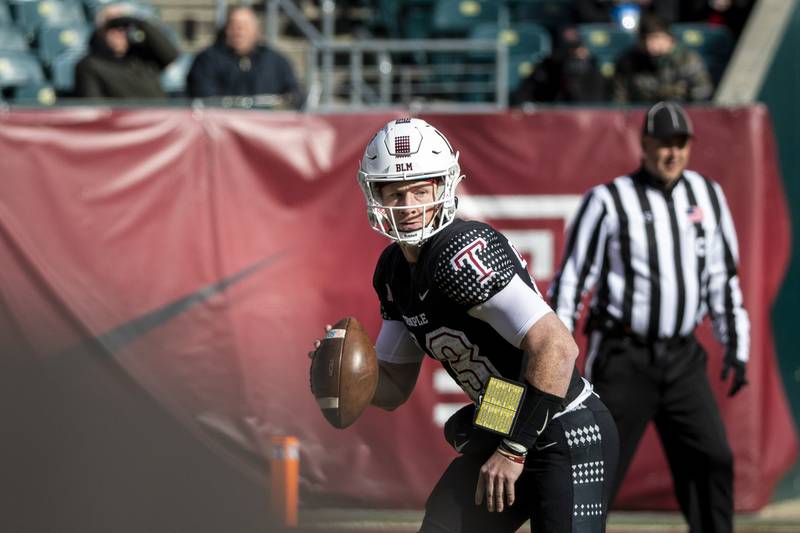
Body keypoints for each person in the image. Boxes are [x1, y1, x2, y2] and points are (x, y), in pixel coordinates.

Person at [309, 118, 619, 532]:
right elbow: (393, 387)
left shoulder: (461, 251)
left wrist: (511, 450)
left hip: (565, 426)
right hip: (508, 419)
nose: (411, 204)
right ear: (374, 195)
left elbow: (557, 349)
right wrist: (345, 377)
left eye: (423, 189)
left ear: (445, 186)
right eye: (397, 192)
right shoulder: (392, 272)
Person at [549, 101, 749, 533]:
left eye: (680, 145)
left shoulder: (708, 196)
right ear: (645, 144)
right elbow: (571, 283)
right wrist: (558, 356)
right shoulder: (607, 201)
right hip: (624, 356)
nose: (672, 154)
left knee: (712, 458)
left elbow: (722, 275)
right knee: (596, 465)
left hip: (682, 357)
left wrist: (737, 342)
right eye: (663, 144)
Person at [186, 5, 301, 106]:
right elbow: (204, 98)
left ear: (257, 30)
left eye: (245, 25)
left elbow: (293, 96)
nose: (239, 31)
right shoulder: (207, 60)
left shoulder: (276, 62)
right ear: (226, 29)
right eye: (234, 25)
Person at [74, 3, 179, 98]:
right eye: (112, 28)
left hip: (159, 117)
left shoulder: (143, 59)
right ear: (100, 31)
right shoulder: (90, 66)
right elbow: (94, 107)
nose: (119, 34)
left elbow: (170, 55)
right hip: (122, 118)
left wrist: (139, 22)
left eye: (124, 28)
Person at [613, 13, 713, 103]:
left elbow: (702, 96)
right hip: (640, 118)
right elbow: (620, 100)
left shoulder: (688, 60)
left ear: (670, 38)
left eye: (656, 38)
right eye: (645, 39)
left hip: (680, 117)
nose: (650, 45)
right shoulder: (629, 62)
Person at [512, 26, 607, 105]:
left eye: (577, 51)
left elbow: (593, 105)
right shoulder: (546, 69)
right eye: (569, 52)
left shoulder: (591, 69)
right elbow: (524, 98)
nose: (574, 58)